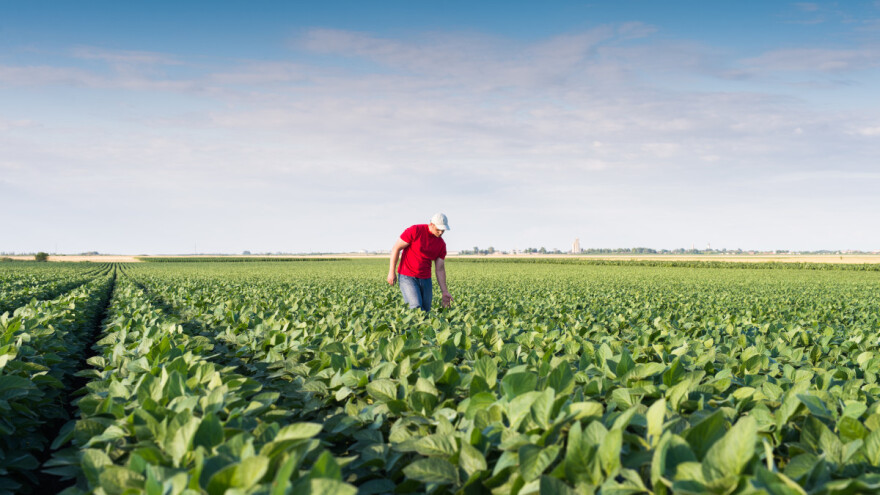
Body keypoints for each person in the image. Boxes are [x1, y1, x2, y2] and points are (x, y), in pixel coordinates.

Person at [387, 213, 453, 312]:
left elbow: (439, 269)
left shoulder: (441, 245)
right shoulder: (415, 231)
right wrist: (391, 272)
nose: (440, 233)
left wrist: (444, 291)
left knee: (426, 310)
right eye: (438, 229)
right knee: (415, 307)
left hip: (426, 278)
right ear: (431, 225)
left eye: (442, 230)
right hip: (407, 276)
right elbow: (396, 248)